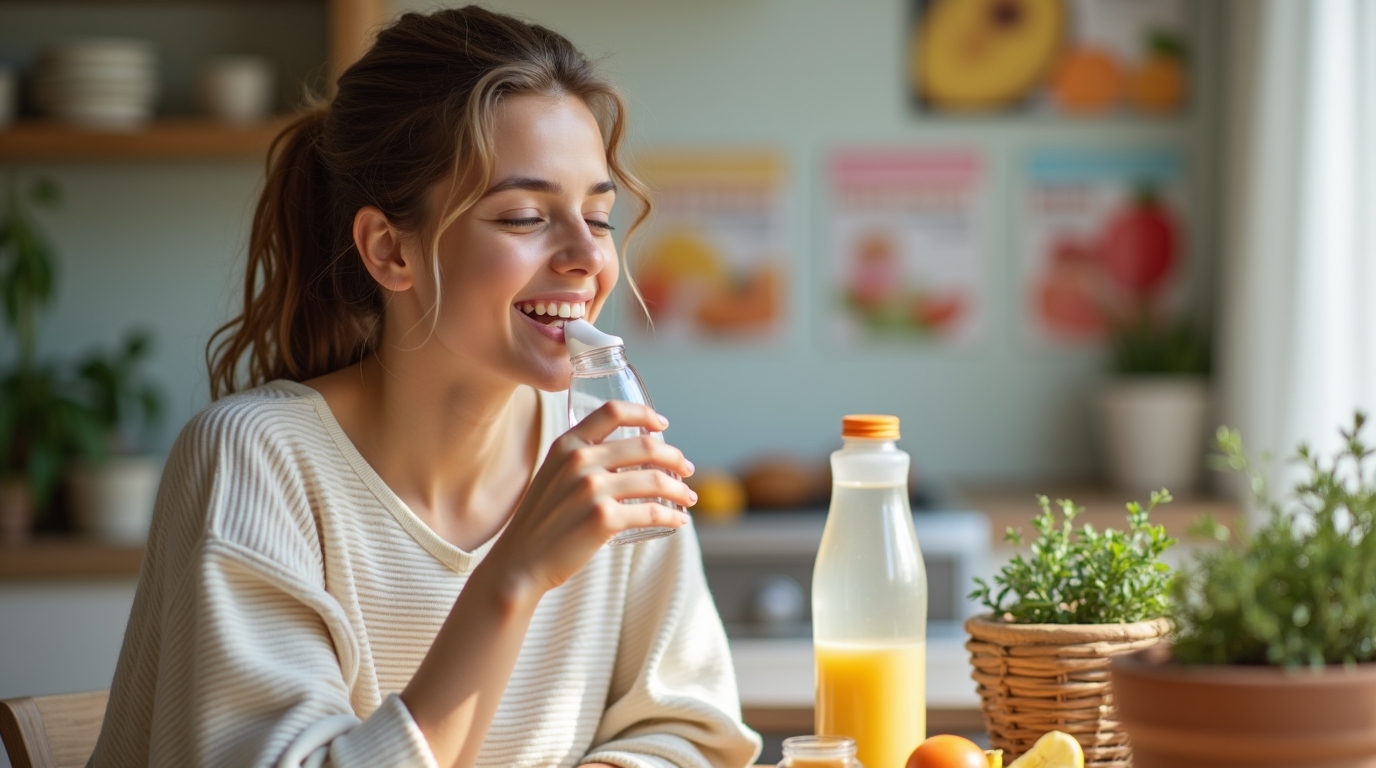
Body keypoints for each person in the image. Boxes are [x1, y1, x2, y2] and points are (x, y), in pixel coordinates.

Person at [88, 7, 761, 768]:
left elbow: (690, 734)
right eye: (524, 216)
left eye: (598, 217)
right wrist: (513, 577)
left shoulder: (606, 454)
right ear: (389, 250)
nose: (585, 256)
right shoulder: (258, 461)